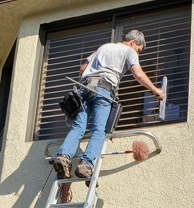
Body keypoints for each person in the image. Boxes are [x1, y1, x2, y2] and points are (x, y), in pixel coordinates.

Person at [54, 29, 165, 181]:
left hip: (85, 88)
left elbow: (82, 69)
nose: (137, 54)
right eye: (138, 50)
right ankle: (86, 165)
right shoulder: (129, 51)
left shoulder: (104, 47)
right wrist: (155, 90)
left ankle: (64, 157)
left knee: (78, 127)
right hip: (103, 90)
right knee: (99, 130)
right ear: (133, 42)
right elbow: (137, 74)